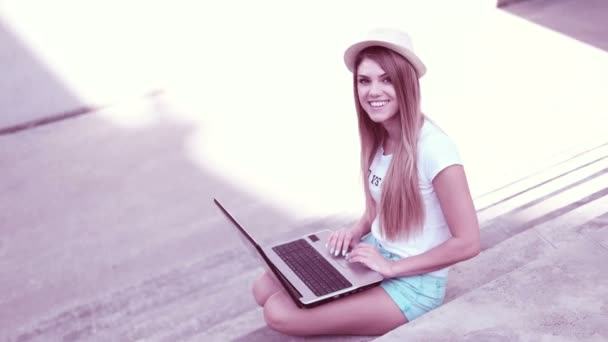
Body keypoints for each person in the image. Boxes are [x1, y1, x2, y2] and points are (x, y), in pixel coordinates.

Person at [251, 28, 480, 336]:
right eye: (365, 80)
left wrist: (392, 268)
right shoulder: (380, 136)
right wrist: (355, 231)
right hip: (373, 256)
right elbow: (376, 213)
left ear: (407, 84)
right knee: (263, 287)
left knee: (278, 311)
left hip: (413, 282)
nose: (373, 91)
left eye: (386, 79)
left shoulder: (436, 150)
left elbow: (468, 242)